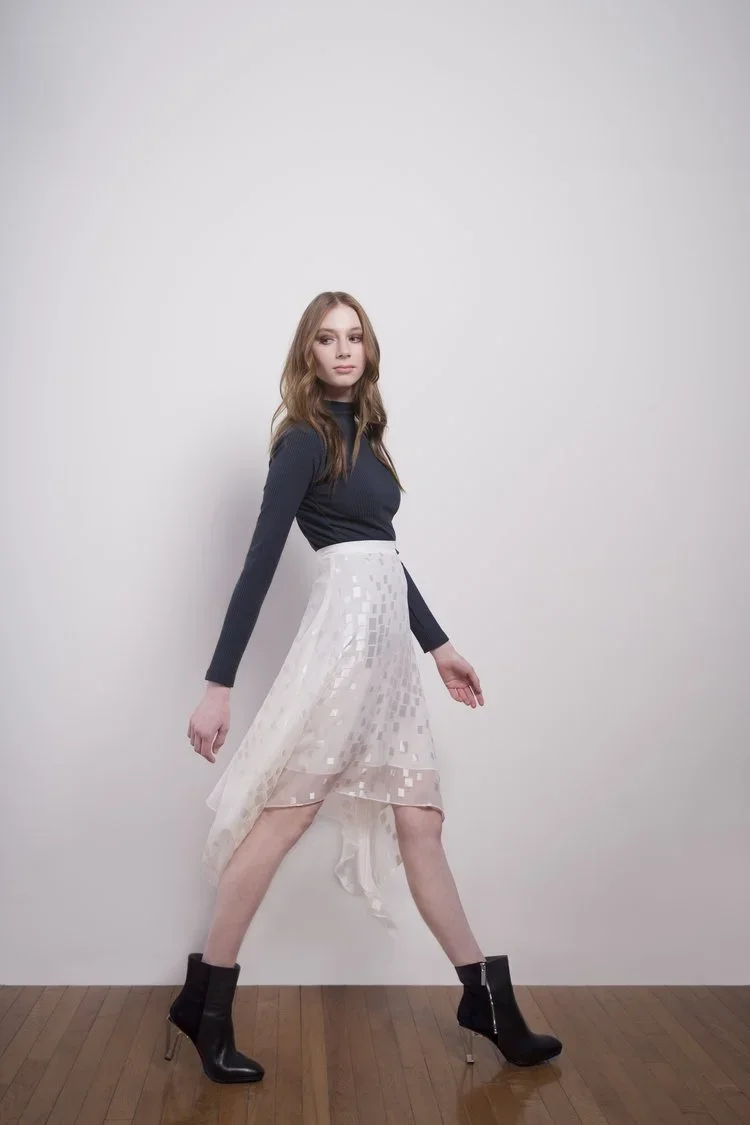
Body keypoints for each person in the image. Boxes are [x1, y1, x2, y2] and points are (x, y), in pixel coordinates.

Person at [164, 292, 562, 1084]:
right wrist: (218, 682)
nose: (342, 350)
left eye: (354, 337)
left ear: (369, 351)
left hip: (389, 659)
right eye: (326, 338)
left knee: (421, 820)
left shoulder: (370, 440)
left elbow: (385, 556)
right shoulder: (302, 440)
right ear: (308, 352)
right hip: (340, 649)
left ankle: (482, 996)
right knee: (285, 817)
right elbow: (261, 560)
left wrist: (439, 645)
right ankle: (206, 1003)